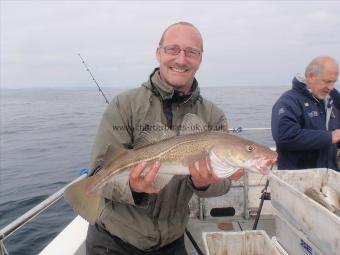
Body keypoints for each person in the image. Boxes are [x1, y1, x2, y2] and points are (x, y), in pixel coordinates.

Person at [86, 22, 244, 255]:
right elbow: (98, 172)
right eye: (172, 49)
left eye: (191, 52)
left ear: (200, 59)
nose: (181, 60)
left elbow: (223, 183)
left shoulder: (213, 116)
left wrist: (204, 183)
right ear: (158, 53)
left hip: (171, 242)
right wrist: (132, 186)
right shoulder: (124, 105)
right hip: (114, 241)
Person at [271, 56, 340, 171]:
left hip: (329, 176)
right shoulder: (288, 101)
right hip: (298, 179)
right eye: (327, 81)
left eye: (333, 82)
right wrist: (330, 137)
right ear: (311, 77)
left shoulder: (331, 100)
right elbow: (284, 137)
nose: (331, 87)